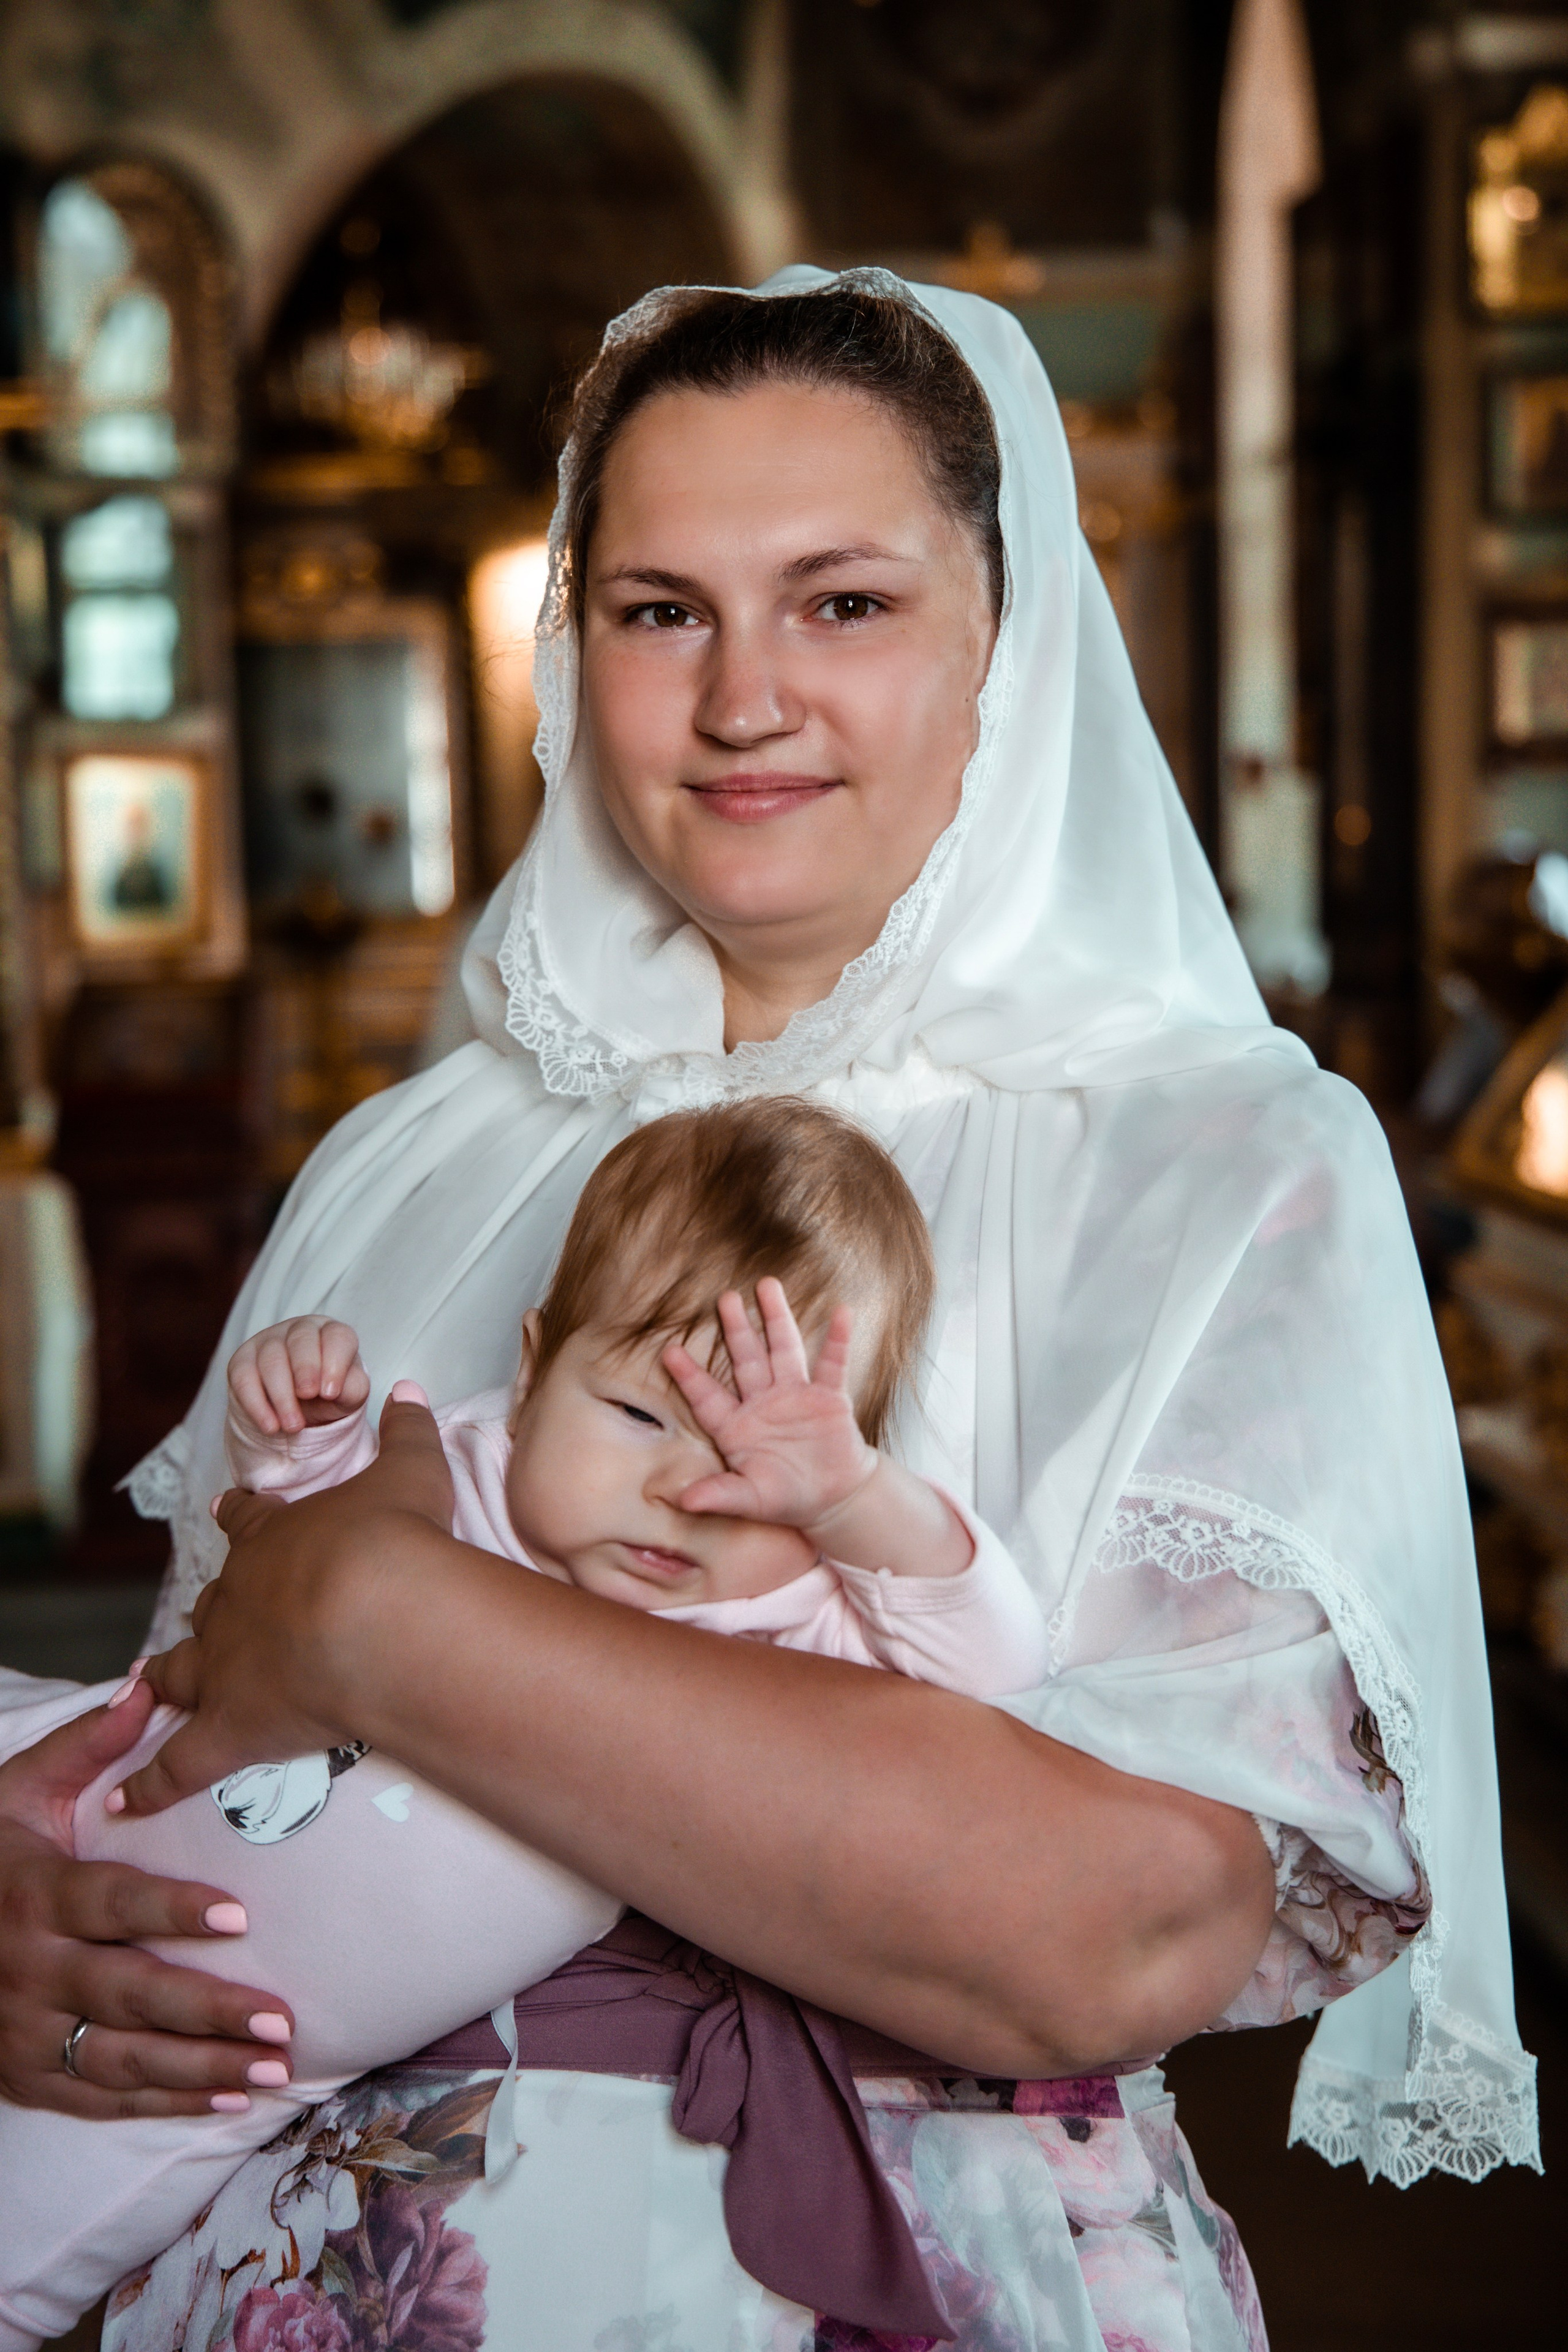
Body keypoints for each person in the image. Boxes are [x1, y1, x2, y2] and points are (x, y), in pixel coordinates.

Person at [0, 268, 1536, 2352]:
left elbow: (1116, 1926)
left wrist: (387, 1613)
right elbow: (198, 1765)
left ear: (1006, 636)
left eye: (843, 604)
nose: (742, 701)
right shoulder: (413, 1158)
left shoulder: (1221, 1165)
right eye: (660, 610)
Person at [0, 1099, 1050, 2350]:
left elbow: (995, 1666)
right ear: (538, 1359)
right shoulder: (457, 1466)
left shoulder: (776, 1610)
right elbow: (273, 1539)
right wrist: (298, 1426)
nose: (683, 1491)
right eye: (638, 1415)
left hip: (214, 2034)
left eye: (757, 1457)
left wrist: (853, 1503)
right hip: (90, 1762)